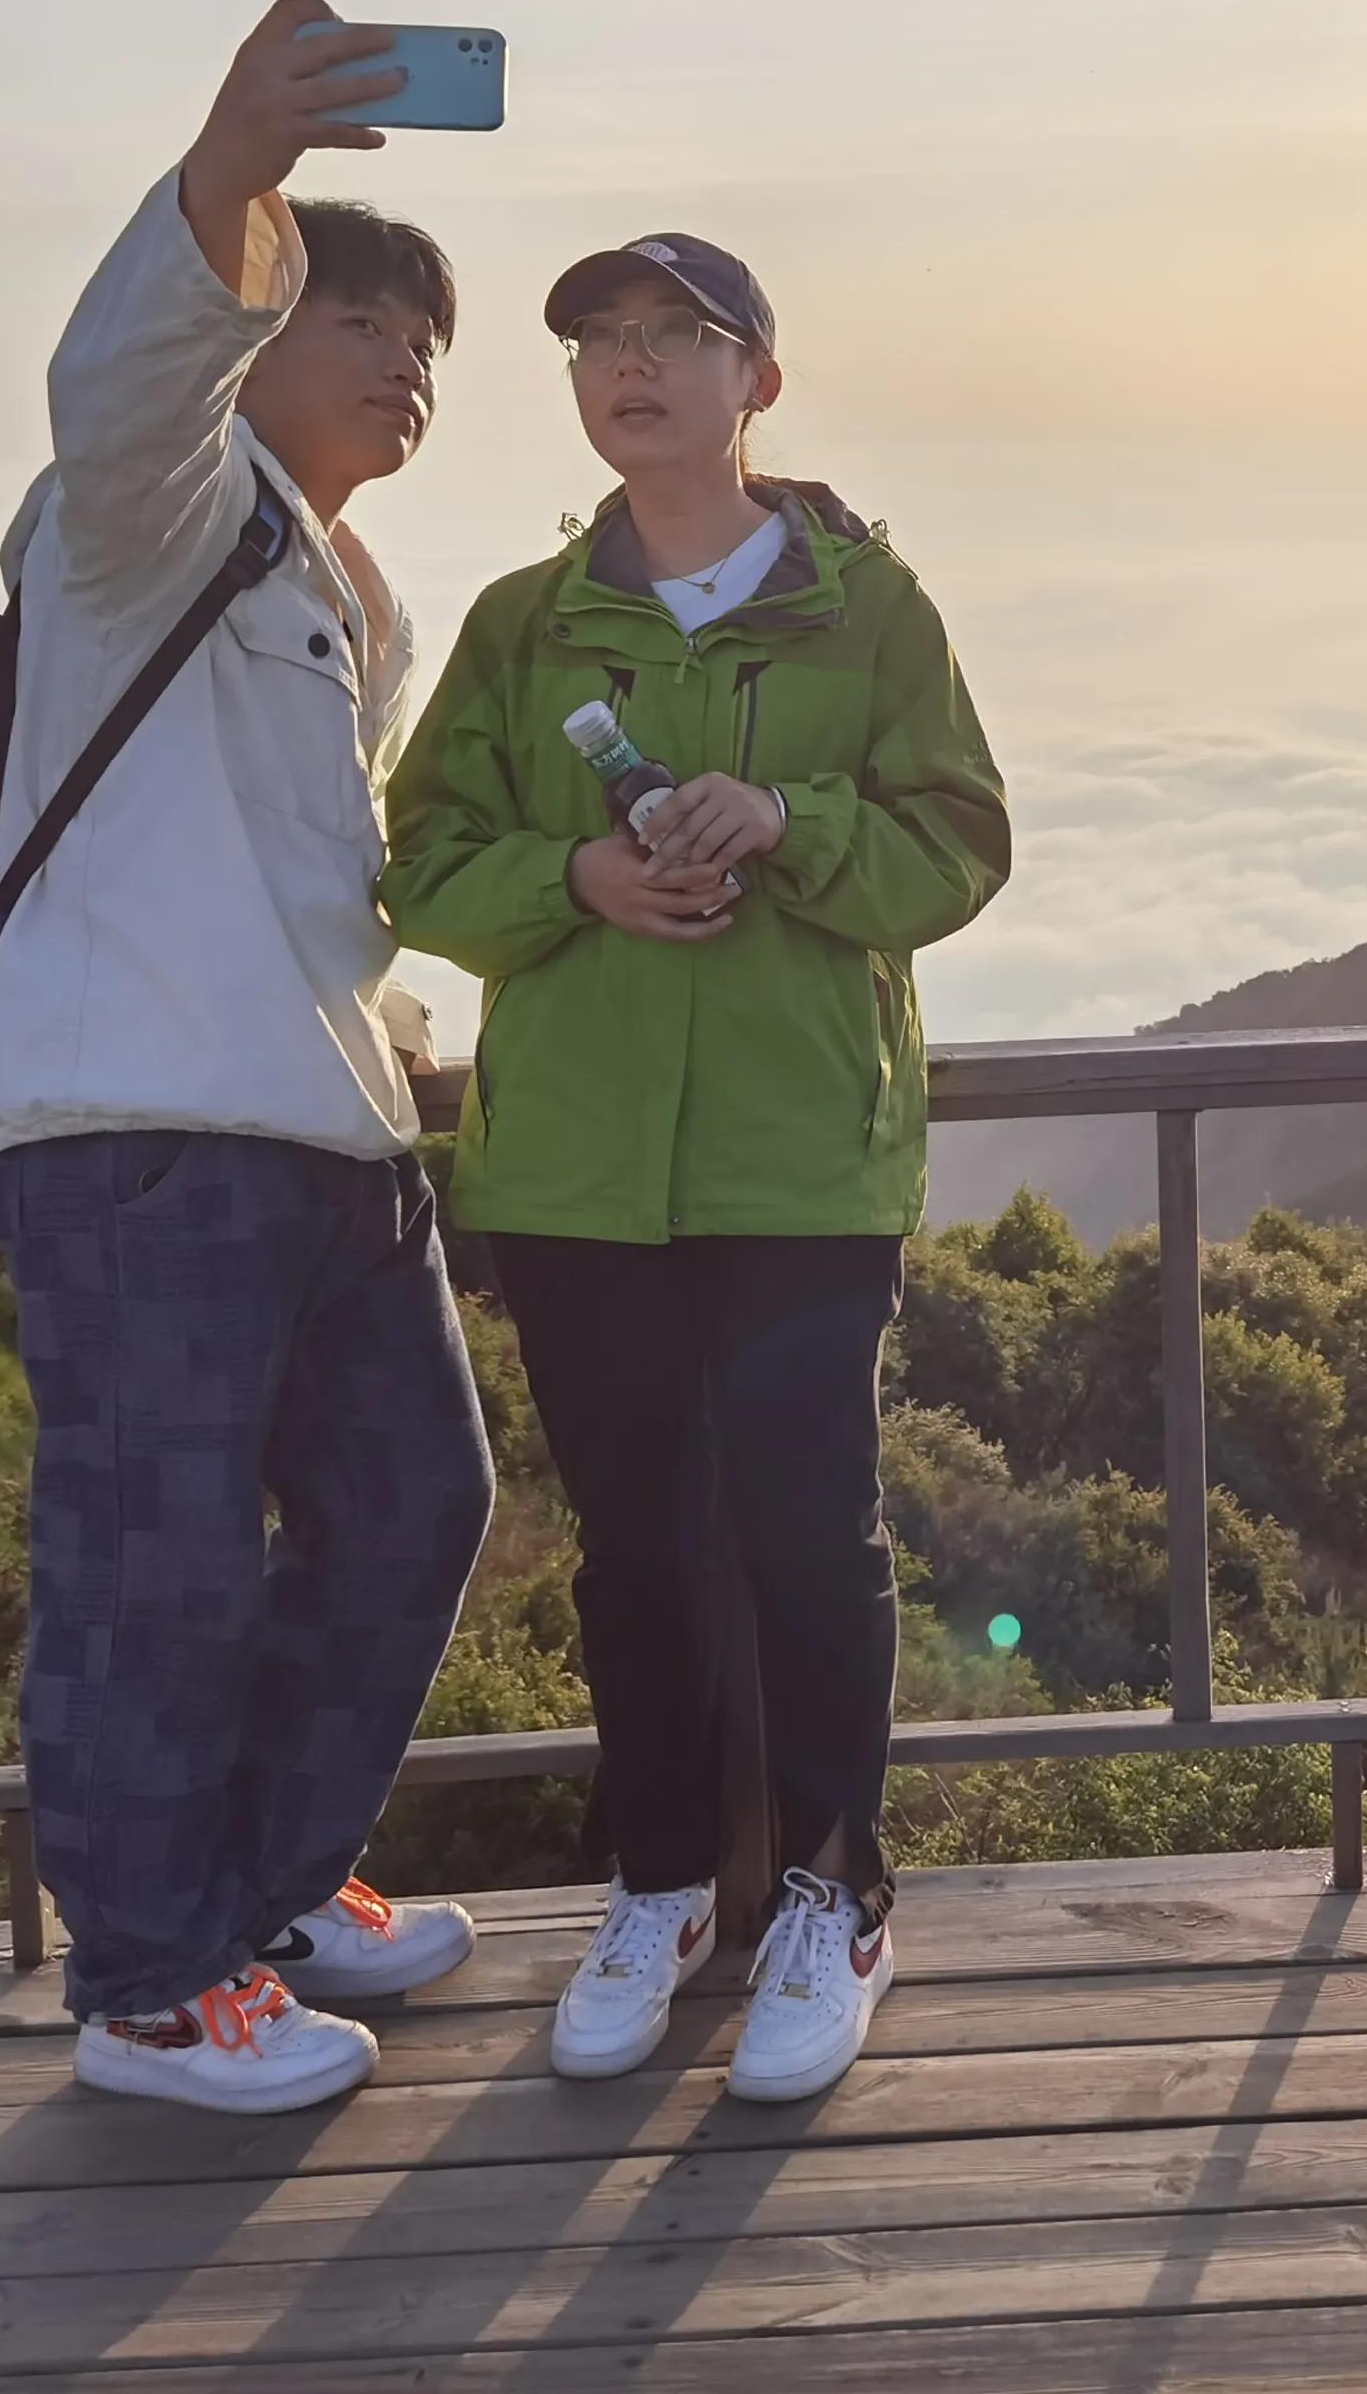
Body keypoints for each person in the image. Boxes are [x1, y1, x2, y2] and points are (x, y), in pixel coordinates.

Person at [382, 228, 1006, 2098]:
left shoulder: (869, 612)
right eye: (601, 343)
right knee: (639, 1550)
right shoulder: (522, 622)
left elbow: (957, 847)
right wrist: (574, 879)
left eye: (678, 337)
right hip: (575, 1167)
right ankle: (657, 1883)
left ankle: (833, 1886)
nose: (631, 367)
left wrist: (794, 819)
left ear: (760, 383)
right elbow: (417, 860)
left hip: (802, 1154)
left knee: (813, 1536)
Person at [0, 1, 497, 2115]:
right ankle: (152, 1991)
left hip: (327, 1124)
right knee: (152, 1556)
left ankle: (267, 1889)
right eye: (358, 317)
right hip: (139, 1125)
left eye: (424, 349)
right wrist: (227, 175)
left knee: (410, 1505)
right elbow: (120, 384)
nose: (402, 366)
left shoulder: (355, 595)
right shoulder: (140, 512)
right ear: (256, 318)